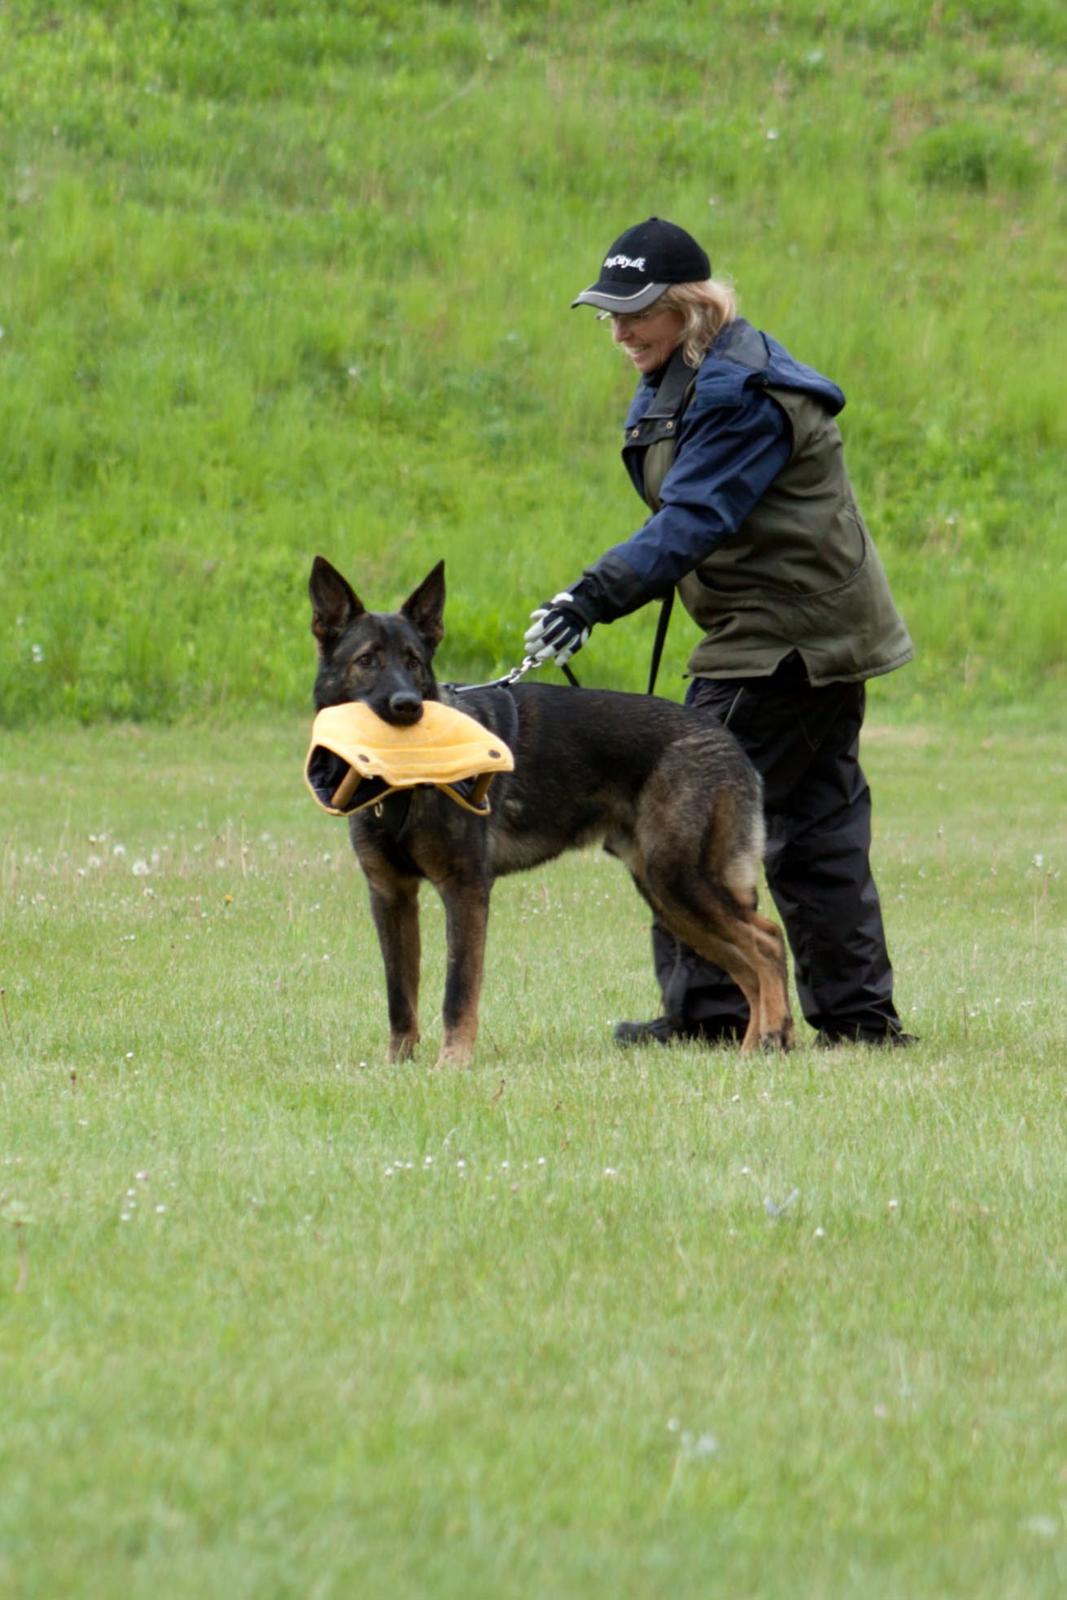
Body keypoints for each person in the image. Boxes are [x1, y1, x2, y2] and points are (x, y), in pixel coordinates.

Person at [524, 217, 915, 1048]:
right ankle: (857, 1020)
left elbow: (693, 516)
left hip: (780, 638)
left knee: (679, 817)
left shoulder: (740, 392)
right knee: (817, 828)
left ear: (691, 306)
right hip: (814, 628)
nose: (620, 332)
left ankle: (710, 1015)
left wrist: (587, 599)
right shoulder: (689, 372)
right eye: (610, 315)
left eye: (637, 312)